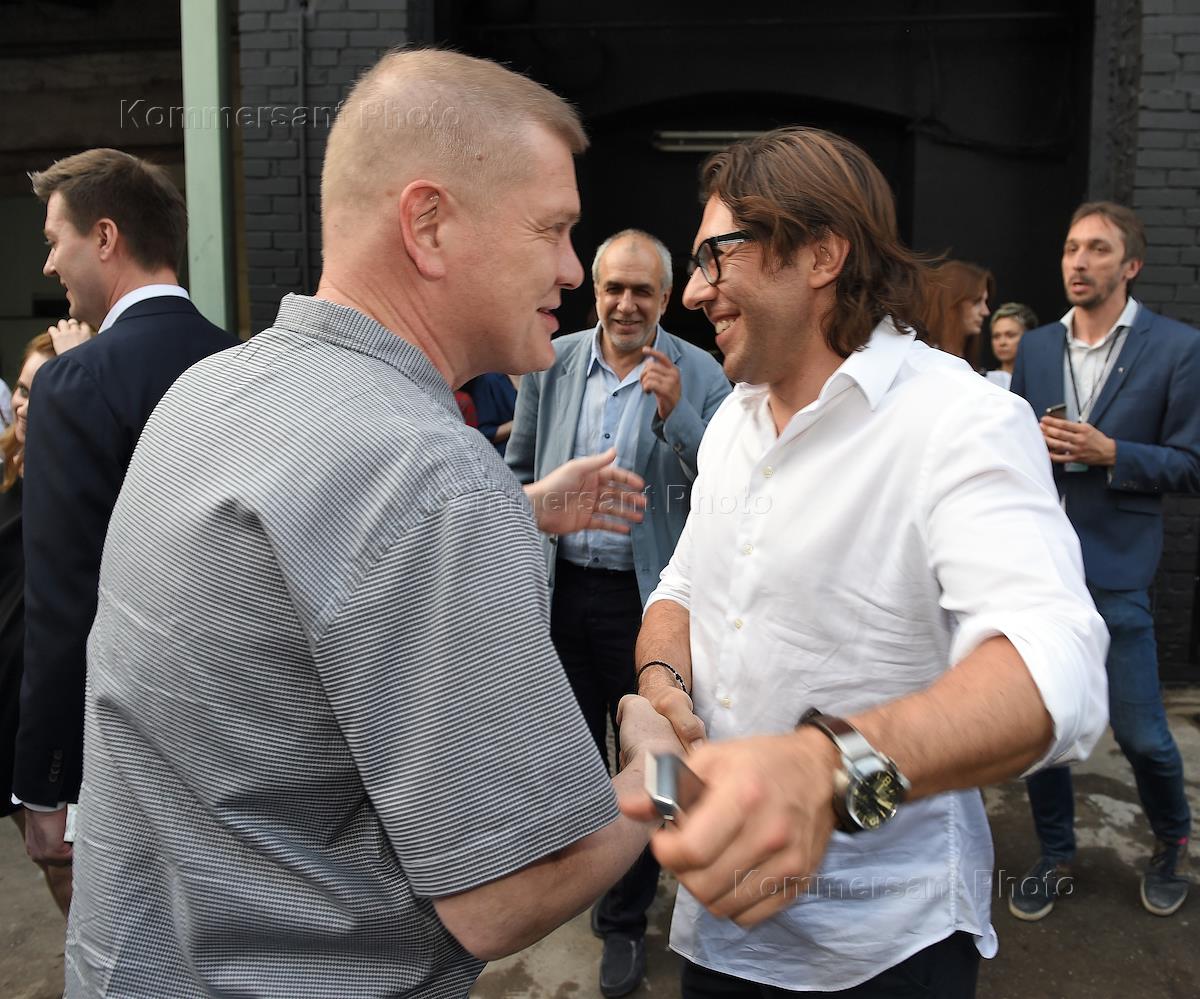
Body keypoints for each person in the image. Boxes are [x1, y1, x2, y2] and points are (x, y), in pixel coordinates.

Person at [64, 50, 685, 998]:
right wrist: (655, 770)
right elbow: (505, 894)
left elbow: (311, 579)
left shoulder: (208, 393)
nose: (571, 268)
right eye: (554, 229)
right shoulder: (430, 477)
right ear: (428, 225)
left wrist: (520, 509)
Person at [618, 126, 1108, 998]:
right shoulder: (732, 421)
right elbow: (683, 587)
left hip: (885, 949)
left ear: (821, 253)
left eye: (716, 255)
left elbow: (1056, 669)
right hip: (715, 936)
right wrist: (662, 691)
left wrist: (826, 767)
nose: (692, 291)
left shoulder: (958, 420)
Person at [506, 227, 730, 996]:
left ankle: (627, 919)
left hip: (649, 602)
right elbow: (517, 470)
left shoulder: (699, 372)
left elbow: (729, 491)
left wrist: (679, 415)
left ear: (666, 298)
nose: (626, 303)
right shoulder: (553, 360)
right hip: (562, 592)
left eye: (642, 290)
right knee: (571, 752)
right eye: (614, 288)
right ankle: (585, 875)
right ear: (595, 292)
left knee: (653, 758)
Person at [12, 149, 239, 871]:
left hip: (131, 751)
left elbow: (63, 600)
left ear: (105, 237)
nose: (49, 264)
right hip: (246, 731)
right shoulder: (247, 363)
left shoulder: (74, 384)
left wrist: (46, 779)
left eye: (55, 241)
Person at [1008, 201, 1200, 921]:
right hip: (1040, 572)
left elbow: (1191, 464)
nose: (1079, 261)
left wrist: (1112, 452)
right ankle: (1056, 853)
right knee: (1045, 732)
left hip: (1118, 571)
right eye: (1070, 247)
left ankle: (1171, 841)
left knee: (1143, 735)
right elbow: (1010, 449)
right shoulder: (1035, 348)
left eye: (1097, 248)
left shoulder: (1177, 347)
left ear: (1131, 265)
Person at [0, 332, 73, 916]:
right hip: (8, 699)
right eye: (22, 391)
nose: (24, 405)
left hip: (51, 702)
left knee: (68, 862)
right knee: (43, 855)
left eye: (41, 392)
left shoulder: (77, 482)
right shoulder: (9, 468)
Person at [922, 259, 994, 363]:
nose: (985, 312)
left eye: (985, 302)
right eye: (976, 302)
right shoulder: (923, 360)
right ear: (951, 303)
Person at [983, 301, 1038, 390]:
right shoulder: (984, 380)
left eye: (1010, 335)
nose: (1002, 342)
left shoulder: (1039, 380)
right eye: (996, 336)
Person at [466, 371, 520, 455]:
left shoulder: (537, 375)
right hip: (507, 455)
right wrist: (522, 422)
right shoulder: (489, 380)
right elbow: (485, 433)